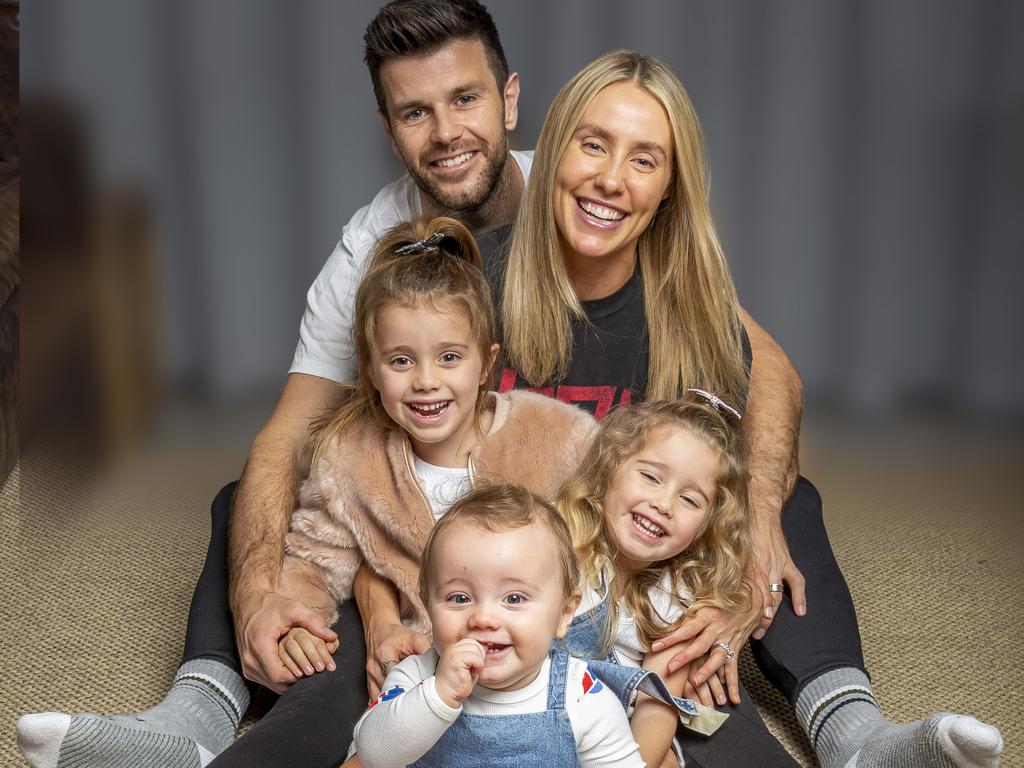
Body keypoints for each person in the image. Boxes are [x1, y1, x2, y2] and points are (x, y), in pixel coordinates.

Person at [14, 4, 799, 767]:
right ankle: (198, 716)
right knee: (260, 508)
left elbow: (764, 375)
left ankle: (848, 727)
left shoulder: (601, 201)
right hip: (435, 542)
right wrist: (279, 596)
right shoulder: (374, 248)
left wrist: (749, 538)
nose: (449, 131)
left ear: (513, 102)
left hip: (574, 543)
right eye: (415, 112)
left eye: (465, 98)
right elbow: (298, 438)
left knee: (769, 517)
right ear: (387, 128)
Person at [559, 393, 798, 767]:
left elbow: (658, 707)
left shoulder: (677, 592)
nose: (664, 504)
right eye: (651, 477)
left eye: (690, 500)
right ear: (609, 469)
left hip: (611, 733)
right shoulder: (559, 547)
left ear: (708, 524)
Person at [345, 484, 648, 768]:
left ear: (564, 613)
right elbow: (372, 755)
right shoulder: (416, 675)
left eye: (514, 598)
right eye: (459, 598)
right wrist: (439, 695)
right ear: (427, 605)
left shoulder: (583, 697)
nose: (483, 619)